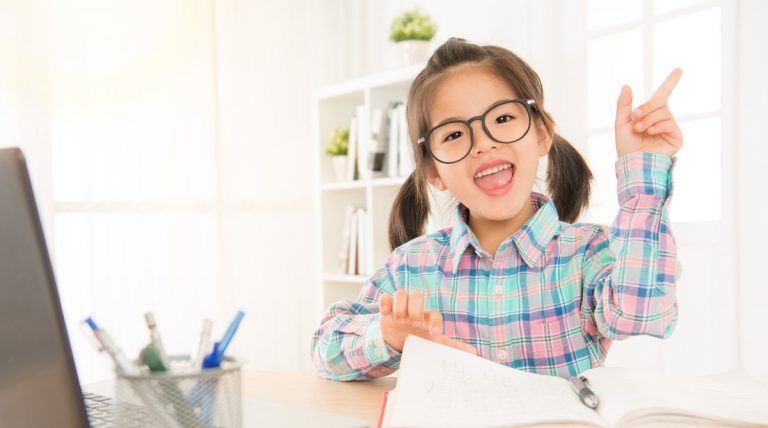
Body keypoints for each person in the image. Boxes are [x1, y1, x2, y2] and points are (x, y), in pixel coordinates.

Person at [311, 37, 682, 381]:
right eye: (454, 134)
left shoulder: (588, 253)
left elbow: (643, 312)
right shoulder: (412, 266)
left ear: (541, 133)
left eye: (503, 118)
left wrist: (643, 177)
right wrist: (388, 336)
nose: (484, 144)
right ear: (432, 170)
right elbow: (325, 347)